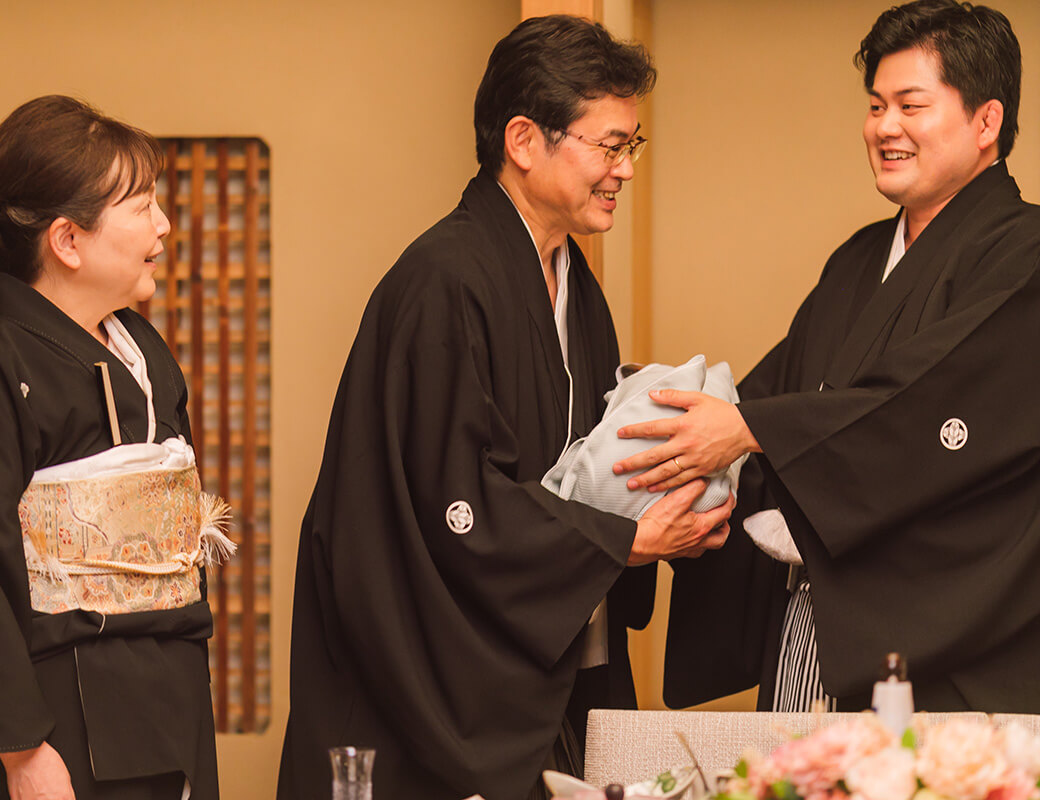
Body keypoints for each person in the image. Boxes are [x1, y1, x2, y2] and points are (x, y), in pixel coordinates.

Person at [278, 15, 734, 800]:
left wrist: (661, 503)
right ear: (524, 141)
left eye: (632, 146)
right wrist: (622, 540)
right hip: (434, 675)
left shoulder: (572, 284)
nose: (624, 169)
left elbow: (582, 470)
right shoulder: (443, 281)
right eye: (609, 145)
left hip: (540, 656)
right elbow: (457, 504)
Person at [616, 0, 1040, 713]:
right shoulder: (858, 261)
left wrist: (752, 431)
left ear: (986, 122)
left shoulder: (1022, 254)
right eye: (876, 105)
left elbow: (921, 403)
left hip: (955, 655)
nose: (884, 128)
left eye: (910, 104)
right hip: (817, 627)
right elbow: (765, 401)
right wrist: (658, 441)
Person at [0, 95, 223, 799]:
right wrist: (19, 750)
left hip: (161, 701)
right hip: (51, 726)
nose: (163, 225)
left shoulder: (142, 355)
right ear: (68, 240)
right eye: (143, 205)